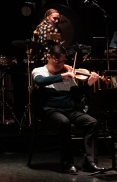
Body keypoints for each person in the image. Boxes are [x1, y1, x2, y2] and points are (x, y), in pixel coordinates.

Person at [32, 44, 105, 174]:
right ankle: (67, 163)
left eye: (63, 61)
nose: (60, 64)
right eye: (57, 60)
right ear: (49, 57)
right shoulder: (39, 71)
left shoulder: (69, 74)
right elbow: (40, 81)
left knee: (92, 122)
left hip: (68, 110)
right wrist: (62, 77)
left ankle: (90, 162)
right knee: (64, 123)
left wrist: (88, 84)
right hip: (49, 110)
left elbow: (77, 96)